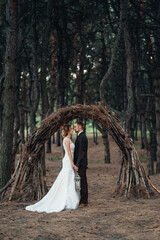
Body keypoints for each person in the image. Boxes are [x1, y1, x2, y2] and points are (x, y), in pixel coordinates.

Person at [25, 124, 80, 213]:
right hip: (68, 161)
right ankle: (66, 200)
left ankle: (70, 200)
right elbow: (69, 153)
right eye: (71, 129)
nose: (72, 130)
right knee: (67, 177)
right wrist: (73, 164)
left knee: (69, 178)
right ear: (68, 130)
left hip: (70, 160)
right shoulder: (66, 140)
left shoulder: (69, 139)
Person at [74, 121, 88, 207]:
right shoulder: (80, 136)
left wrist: (78, 163)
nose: (74, 128)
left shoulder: (82, 136)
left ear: (80, 127)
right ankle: (82, 199)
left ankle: (84, 201)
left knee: (83, 182)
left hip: (82, 163)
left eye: (75, 126)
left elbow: (82, 152)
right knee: (82, 181)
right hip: (80, 162)